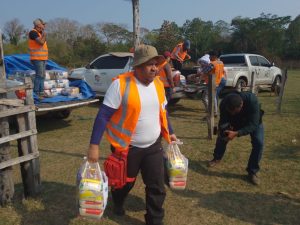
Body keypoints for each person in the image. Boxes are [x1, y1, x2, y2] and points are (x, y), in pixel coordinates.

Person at [87, 44, 177, 225]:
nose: (154, 68)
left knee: (157, 187)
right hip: (128, 148)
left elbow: (163, 111)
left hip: (153, 146)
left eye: (156, 64)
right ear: (137, 66)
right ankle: (118, 202)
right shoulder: (120, 85)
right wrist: (94, 146)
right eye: (149, 64)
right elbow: (103, 115)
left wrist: (171, 133)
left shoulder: (158, 85)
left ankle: (155, 220)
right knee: (124, 183)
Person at [208, 92, 264, 185]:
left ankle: (252, 171)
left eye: (234, 112)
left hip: (252, 122)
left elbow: (253, 125)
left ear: (241, 105)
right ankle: (216, 158)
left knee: (259, 142)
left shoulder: (252, 100)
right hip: (235, 122)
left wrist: (237, 133)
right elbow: (223, 121)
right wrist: (224, 130)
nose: (232, 113)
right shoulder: (224, 103)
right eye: (230, 112)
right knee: (222, 136)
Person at [28, 18, 48, 98]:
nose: (44, 25)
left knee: (42, 75)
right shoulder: (33, 33)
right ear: (38, 25)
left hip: (42, 58)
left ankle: (41, 92)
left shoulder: (39, 33)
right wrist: (44, 35)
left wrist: (43, 34)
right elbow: (41, 42)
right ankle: (36, 93)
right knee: (39, 75)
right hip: (37, 58)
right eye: (43, 24)